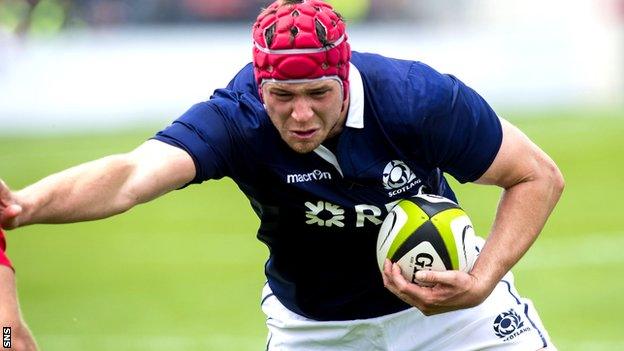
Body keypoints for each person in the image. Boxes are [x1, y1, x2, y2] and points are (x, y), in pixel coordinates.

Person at [0, 0, 564, 349]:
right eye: (282, 96)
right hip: (314, 332)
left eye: (318, 94)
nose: (300, 115)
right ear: (260, 86)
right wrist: (24, 205)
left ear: (345, 76)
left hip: (456, 323)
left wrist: (485, 278)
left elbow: (537, 175)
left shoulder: (418, 99)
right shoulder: (237, 118)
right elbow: (130, 175)